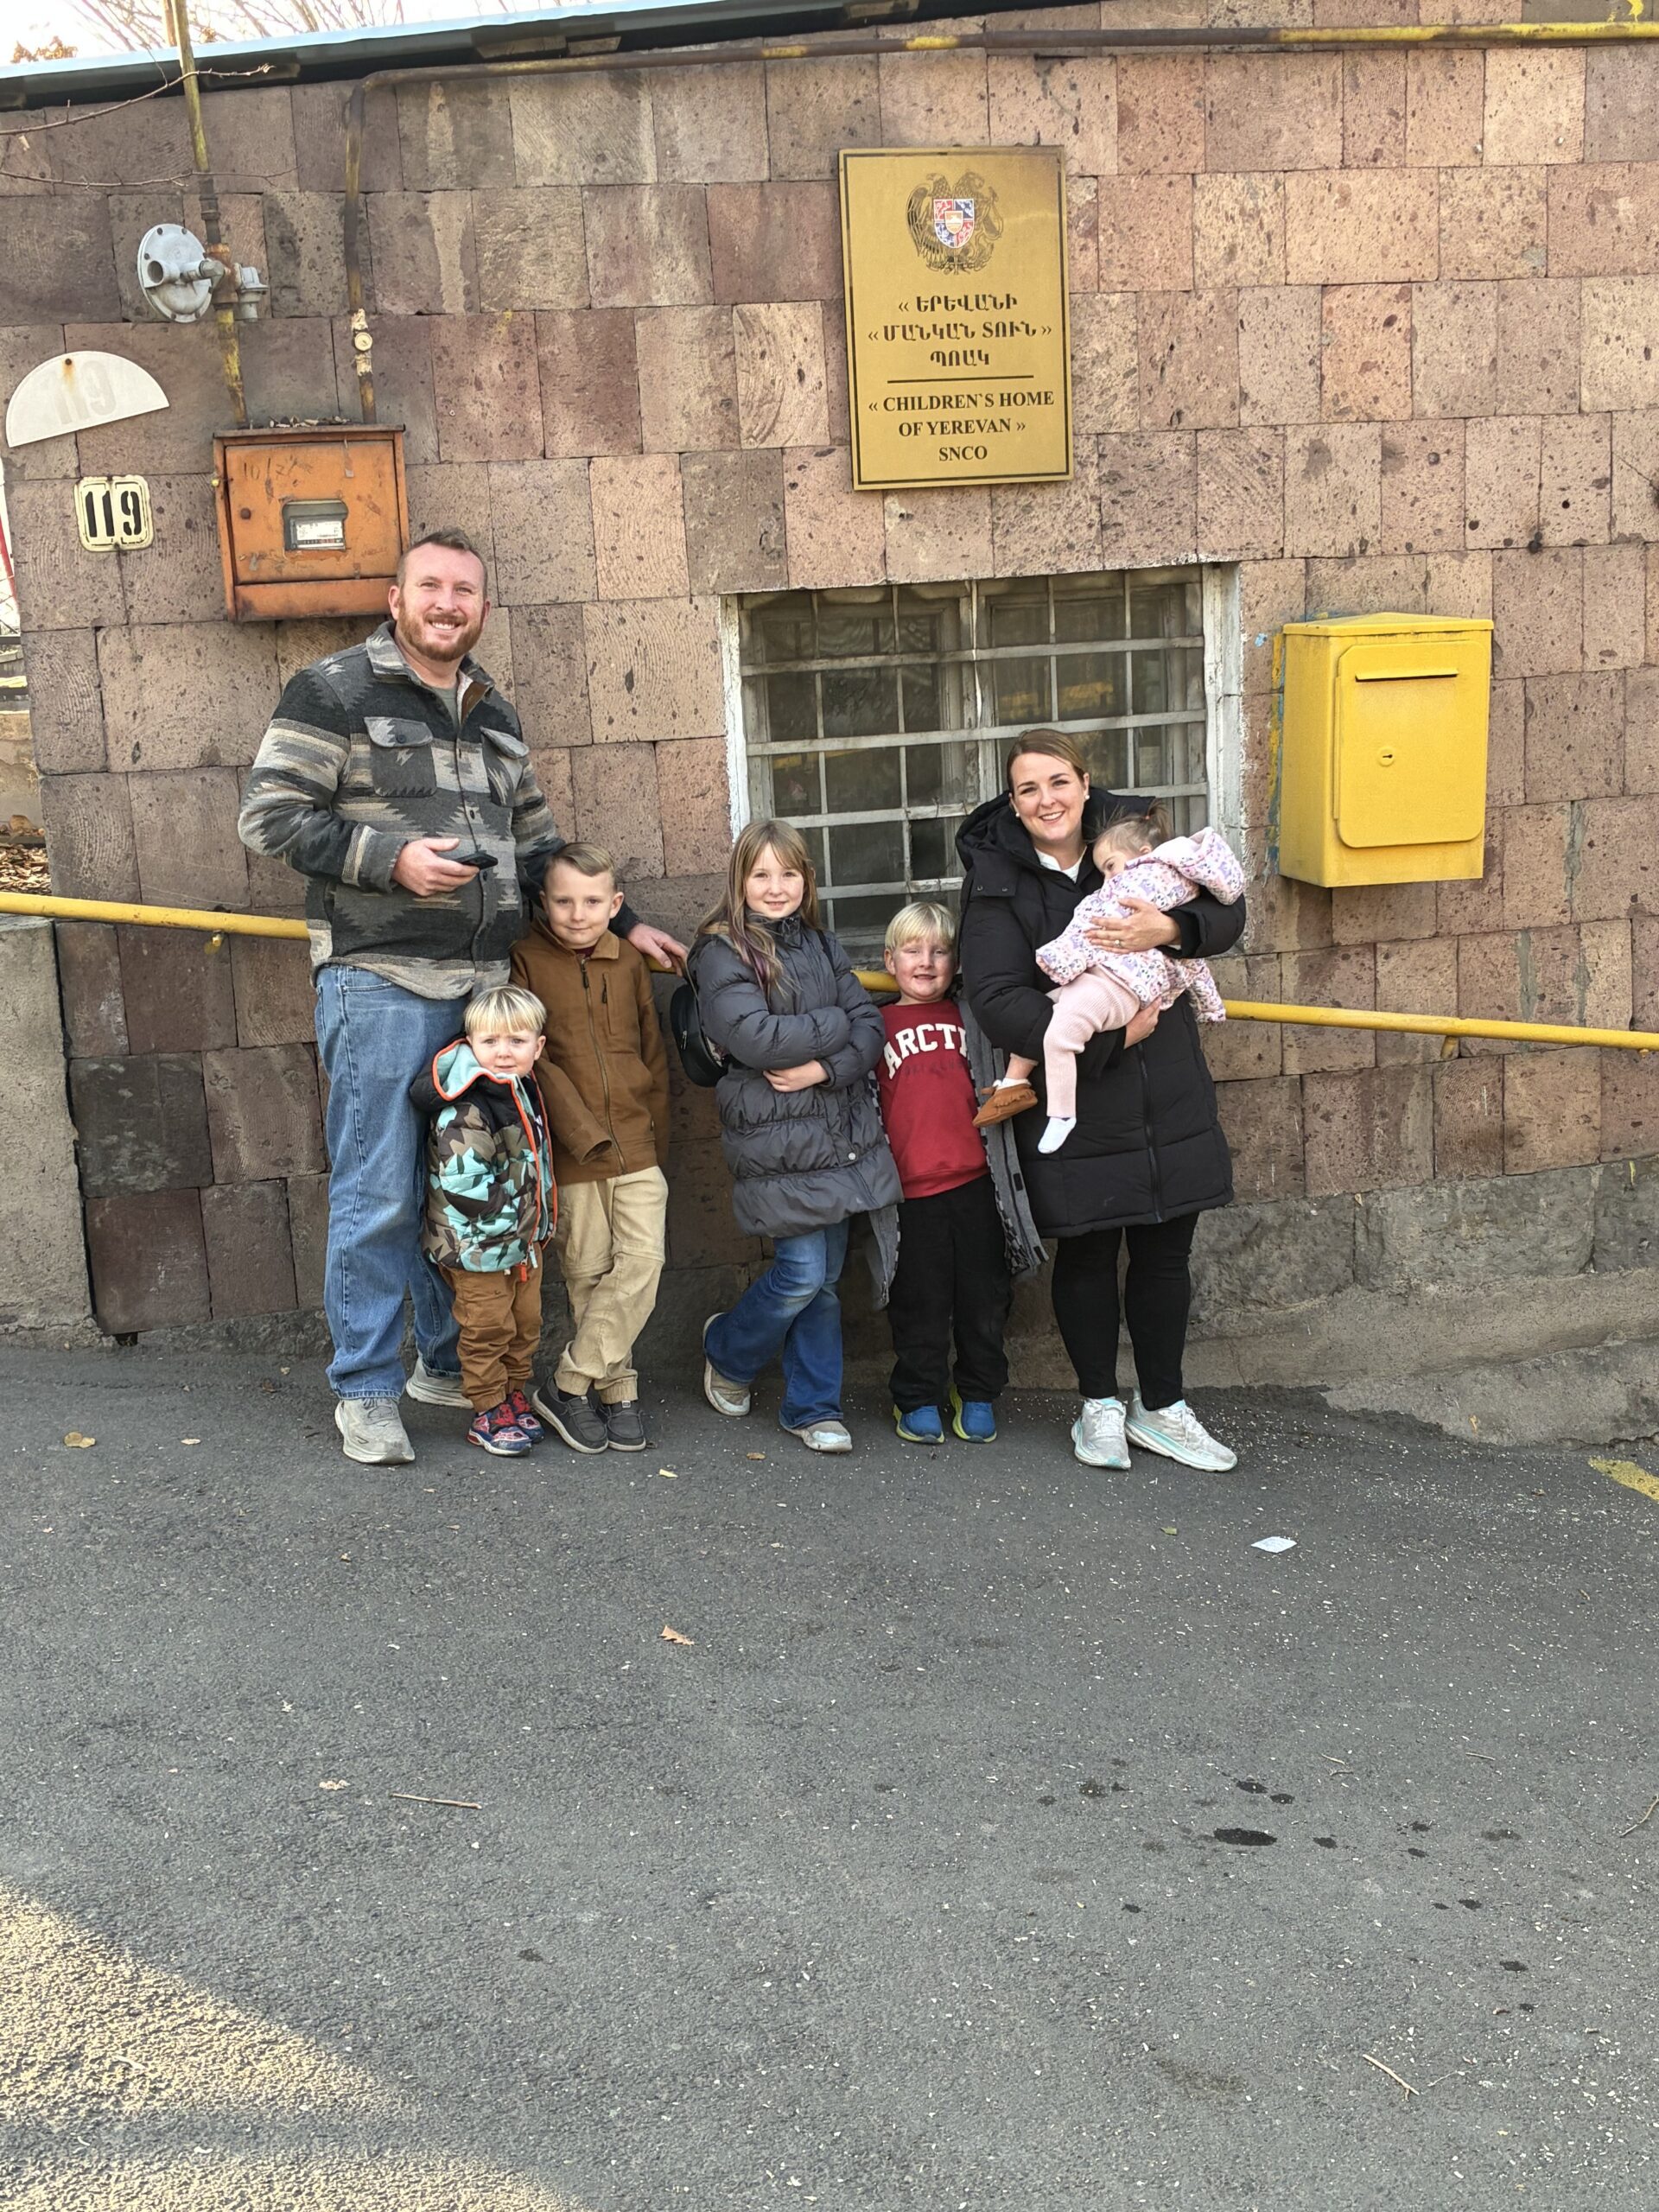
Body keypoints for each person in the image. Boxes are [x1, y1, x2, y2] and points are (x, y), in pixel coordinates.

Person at [237, 529, 685, 1466]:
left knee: (471, 1186)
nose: (448, 604)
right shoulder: (332, 691)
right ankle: (365, 1389)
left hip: (489, 998)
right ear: (396, 599)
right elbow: (269, 816)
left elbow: (541, 847)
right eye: (431, 586)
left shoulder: (494, 711)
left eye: (465, 591)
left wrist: (628, 922)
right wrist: (390, 858)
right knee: (377, 1193)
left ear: (482, 607)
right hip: (381, 981)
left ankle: (447, 1364)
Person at [956, 730, 1246, 1476]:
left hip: (1168, 1094)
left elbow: (1227, 911)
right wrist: (1108, 1042)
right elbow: (997, 998)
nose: (1047, 800)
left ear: (1085, 785)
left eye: (1059, 782)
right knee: (1086, 1253)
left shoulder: (1133, 840)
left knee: (1165, 1256)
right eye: (1029, 789)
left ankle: (1163, 1407)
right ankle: (1099, 1407)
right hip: (1080, 1098)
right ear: (1013, 803)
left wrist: (1172, 928)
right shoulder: (997, 878)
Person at [689, 819, 900, 1453]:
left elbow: (871, 1029)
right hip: (777, 1140)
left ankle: (812, 1408)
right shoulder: (722, 951)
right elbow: (755, 1039)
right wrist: (834, 1022)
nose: (776, 887)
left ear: (806, 879)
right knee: (803, 1273)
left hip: (836, 1129)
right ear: (740, 881)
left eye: (788, 873)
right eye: (761, 874)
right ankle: (727, 1347)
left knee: (825, 1279)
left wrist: (821, 1068)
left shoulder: (820, 943)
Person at [508, 843, 670, 1457]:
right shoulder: (525, 960)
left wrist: (655, 1133)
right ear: (543, 902)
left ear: (615, 904)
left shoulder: (627, 961)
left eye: (593, 902)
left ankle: (568, 1381)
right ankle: (617, 1390)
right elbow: (534, 1058)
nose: (578, 915)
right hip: (572, 1150)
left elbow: (651, 1051)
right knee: (588, 1272)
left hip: (636, 1144)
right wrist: (577, 1134)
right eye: (564, 902)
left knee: (643, 1262)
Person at [976, 810, 1245, 1154]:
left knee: (1058, 1036)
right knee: (1042, 1014)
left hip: (1120, 985)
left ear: (1143, 854)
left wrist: (1060, 958)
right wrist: (1211, 1005)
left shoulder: (1142, 884)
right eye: (1103, 870)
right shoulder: (1131, 882)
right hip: (1102, 978)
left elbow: (1093, 932)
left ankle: (1061, 1115)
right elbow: (1192, 965)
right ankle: (1014, 1082)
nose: (1107, 879)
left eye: (1110, 867)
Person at [875, 901, 1013, 1446]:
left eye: (940, 951)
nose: (926, 962)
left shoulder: (973, 1018)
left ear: (957, 962)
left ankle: (977, 1392)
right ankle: (917, 1396)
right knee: (920, 1301)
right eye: (912, 951)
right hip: (910, 1193)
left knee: (985, 1297)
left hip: (979, 1185)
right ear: (890, 960)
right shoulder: (875, 1025)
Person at [409, 984, 555, 1459]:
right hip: (479, 1248)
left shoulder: (521, 1091)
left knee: (525, 1324)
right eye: (490, 1041)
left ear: (538, 1047)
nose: (504, 1052)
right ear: (470, 1044)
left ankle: (513, 1393)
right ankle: (488, 1408)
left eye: (517, 1041)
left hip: (521, 1245)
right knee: (487, 1329)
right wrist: (515, 1225)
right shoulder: (468, 1105)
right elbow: (467, 1188)